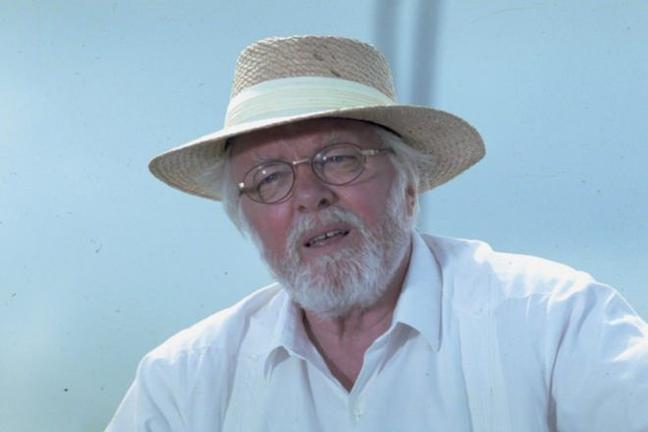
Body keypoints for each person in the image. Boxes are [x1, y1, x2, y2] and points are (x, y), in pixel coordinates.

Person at [106, 35, 648, 431]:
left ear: (409, 187)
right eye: (269, 178)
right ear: (244, 219)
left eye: (339, 159)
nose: (309, 195)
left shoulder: (557, 321)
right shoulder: (182, 383)